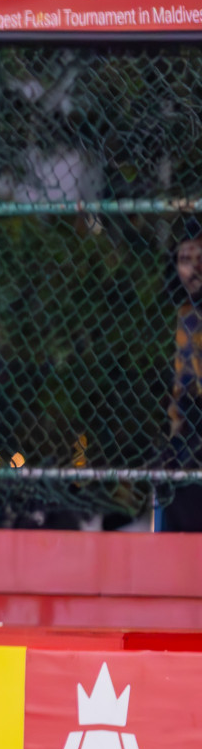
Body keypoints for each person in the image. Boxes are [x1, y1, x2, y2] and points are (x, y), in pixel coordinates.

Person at [165, 228, 202, 531]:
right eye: (185, 259)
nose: (194, 267)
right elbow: (183, 377)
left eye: (201, 258)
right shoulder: (185, 314)